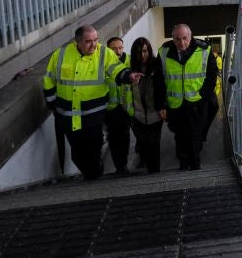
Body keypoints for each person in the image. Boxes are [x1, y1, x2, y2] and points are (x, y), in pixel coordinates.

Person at [43, 26, 139, 180]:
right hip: (67, 115)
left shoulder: (104, 53)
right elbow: (49, 79)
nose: (93, 45)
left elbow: (116, 68)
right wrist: (52, 103)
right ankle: (92, 175)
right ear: (77, 42)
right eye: (88, 41)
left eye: (95, 40)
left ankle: (94, 175)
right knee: (76, 153)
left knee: (94, 147)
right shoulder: (60, 54)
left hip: (93, 115)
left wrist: (128, 76)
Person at [160, 24, 218, 170]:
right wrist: (161, 104)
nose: (181, 43)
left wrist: (203, 96)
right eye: (177, 39)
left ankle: (195, 165)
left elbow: (212, 74)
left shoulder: (204, 50)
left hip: (197, 102)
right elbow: (159, 81)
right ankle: (184, 164)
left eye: (185, 38)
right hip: (175, 103)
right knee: (179, 135)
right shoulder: (164, 52)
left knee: (195, 135)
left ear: (191, 36)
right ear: (172, 38)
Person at [128, 37, 166, 173]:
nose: (143, 55)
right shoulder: (130, 70)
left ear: (149, 51)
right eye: (139, 52)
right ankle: (147, 166)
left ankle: (155, 173)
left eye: (145, 51)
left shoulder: (157, 66)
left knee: (154, 144)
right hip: (137, 115)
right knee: (143, 143)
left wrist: (162, 106)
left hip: (155, 113)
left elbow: (162, 87)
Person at [104, 37, 132, 175]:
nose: (118, 51)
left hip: (127, 107)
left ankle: (124, 164)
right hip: (111, 108)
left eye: (120, 48)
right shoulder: (103, 63)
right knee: (114, 139)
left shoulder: (130, 61)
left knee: (125, 136)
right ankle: (120, 166)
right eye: (114, 48)